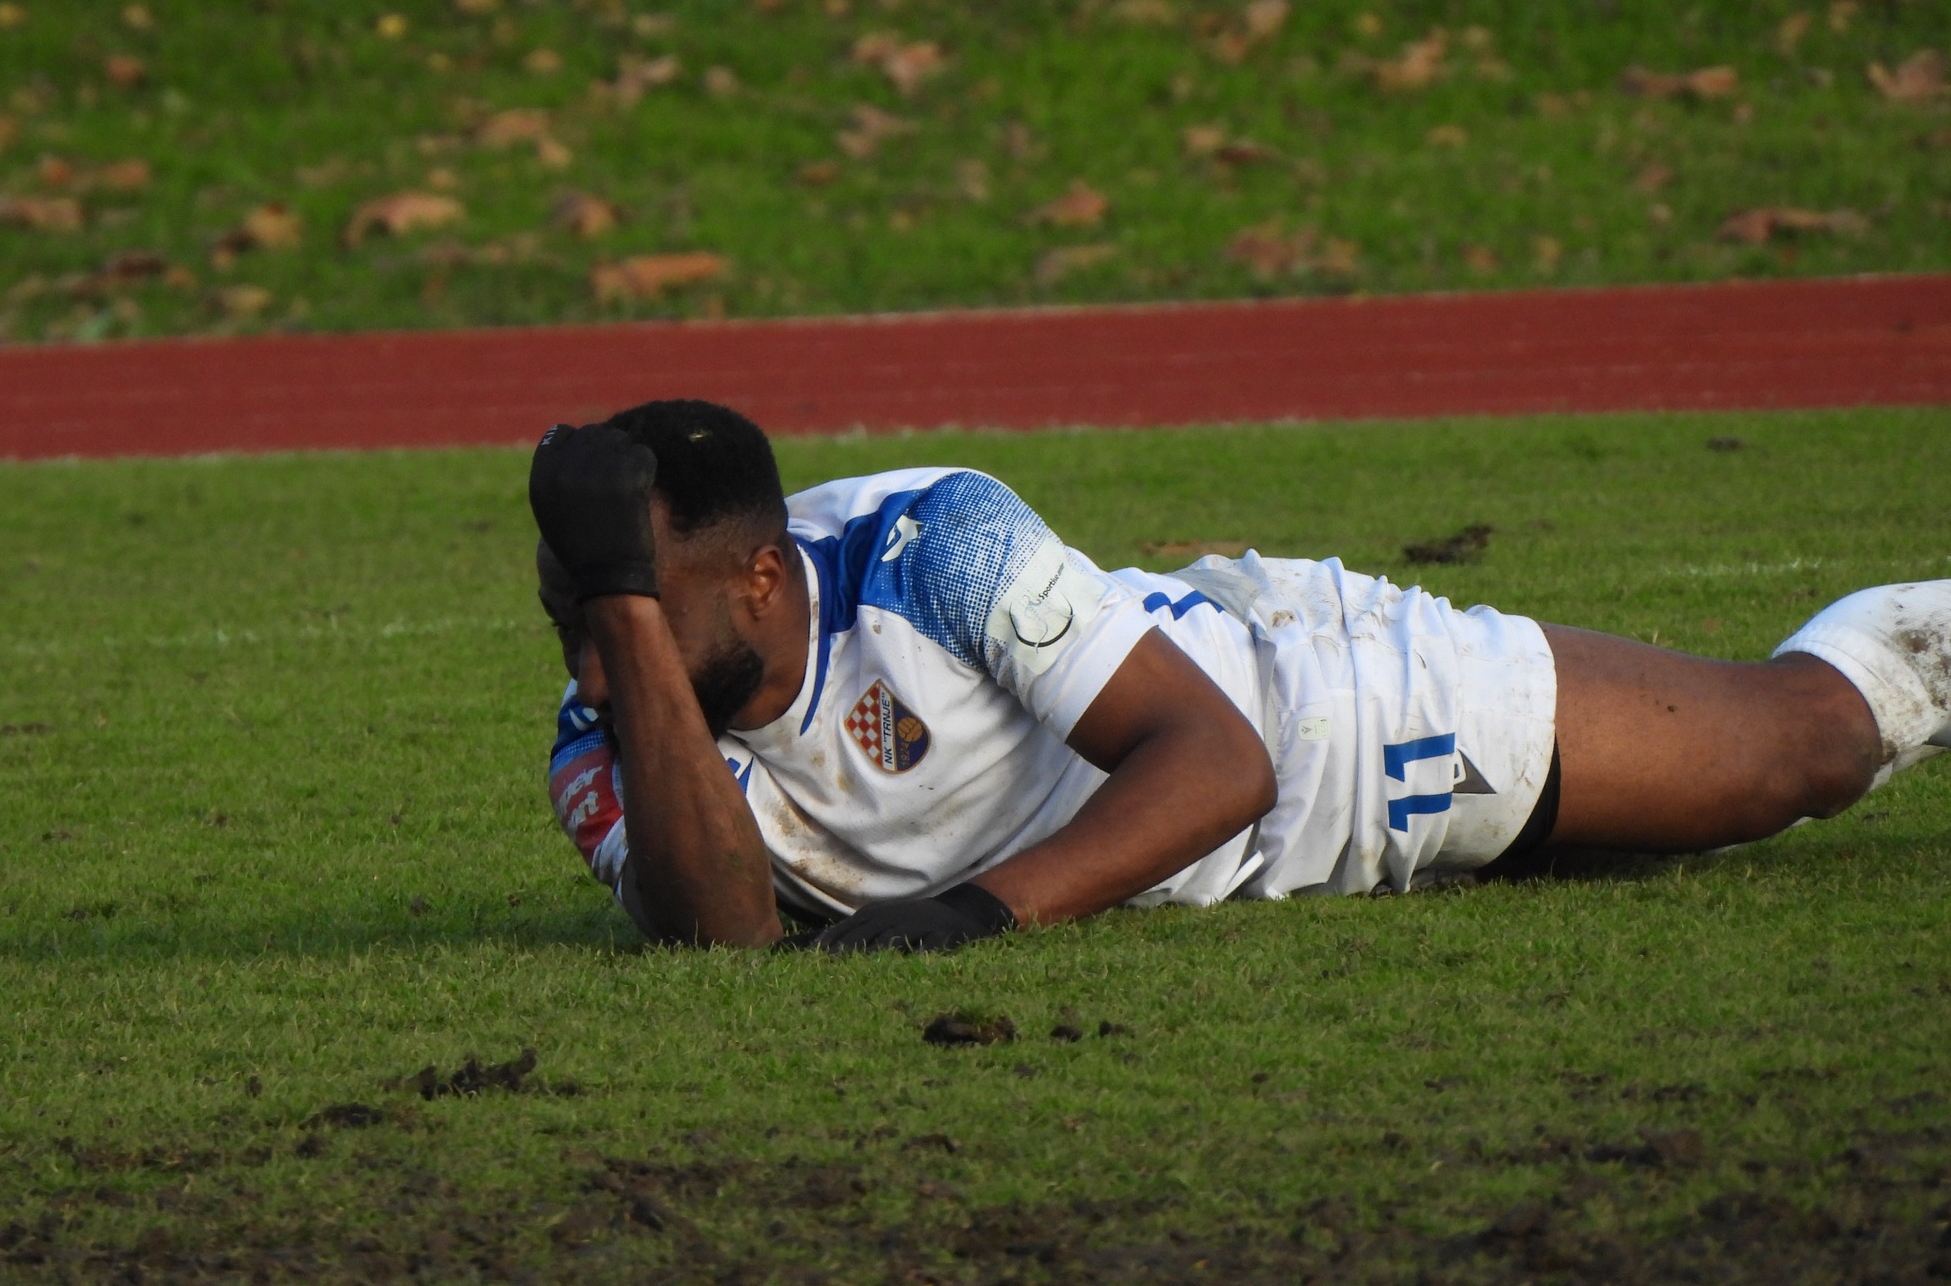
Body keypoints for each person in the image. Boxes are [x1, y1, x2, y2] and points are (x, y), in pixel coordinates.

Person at [529, 399, 1950, 952]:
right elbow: (721, 937)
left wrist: (980, 913)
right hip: (1224, 852)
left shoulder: (931, 540)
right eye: (571, 616)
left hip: (1325, 722)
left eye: (630, 610)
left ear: (762, 578)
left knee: (1797, 754)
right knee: (1615, 864)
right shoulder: (604, 743)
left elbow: (1220, 763)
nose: (593, 660)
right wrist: (631, 617)